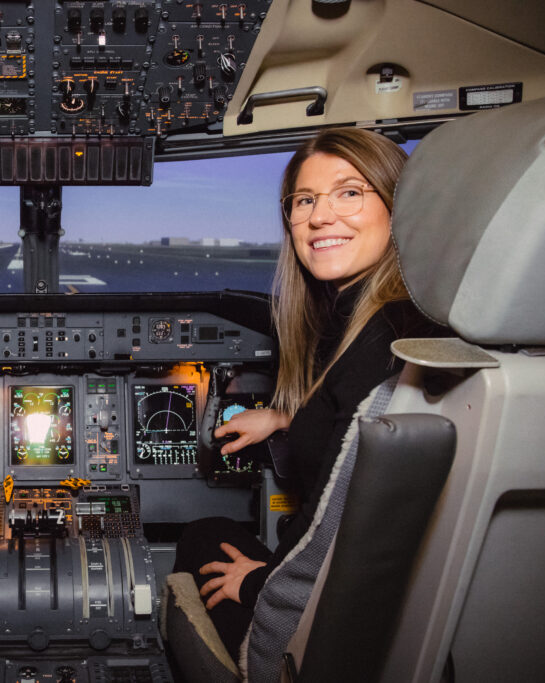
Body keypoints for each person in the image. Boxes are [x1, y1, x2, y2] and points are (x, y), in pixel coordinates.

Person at [173, 128, 441, 660]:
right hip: (386, 613)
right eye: (305, 200)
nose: (320, 218)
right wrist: (286, 417)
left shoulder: (380, 343)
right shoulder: (397, 326)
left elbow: (329, 534)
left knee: (204, 534)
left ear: (398, 204)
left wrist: (257, 582)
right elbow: (358, 433)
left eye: (349, 192)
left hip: (310, 630)